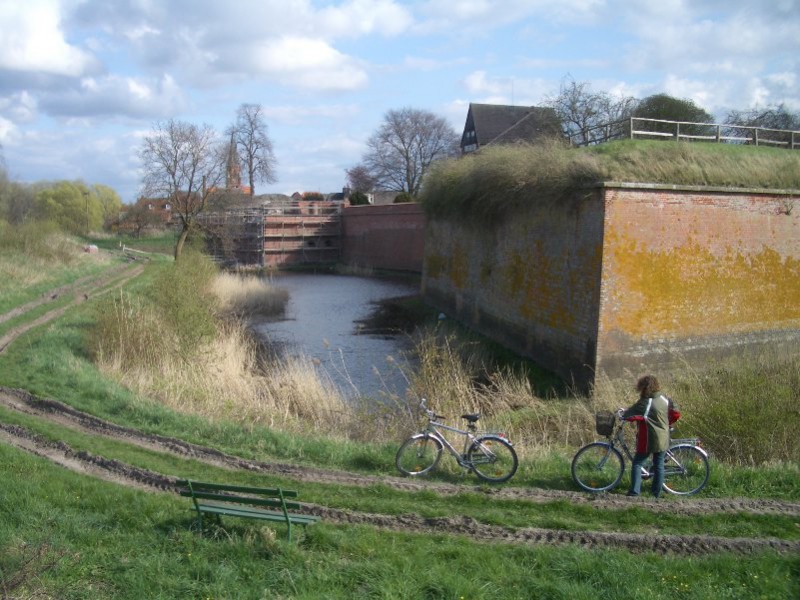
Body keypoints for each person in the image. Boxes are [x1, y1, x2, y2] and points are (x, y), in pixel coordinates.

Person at [620, 374, 680, 498]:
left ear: (644, 388)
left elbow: (630, 415)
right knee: (659, 465)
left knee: (637, 463)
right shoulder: (664, 398)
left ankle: (634, 492)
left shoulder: (645, 402)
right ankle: (656, 493)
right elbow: (676, 413)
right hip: (664, 437)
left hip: (649, 439)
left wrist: (623, 415)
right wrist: (666, 422)